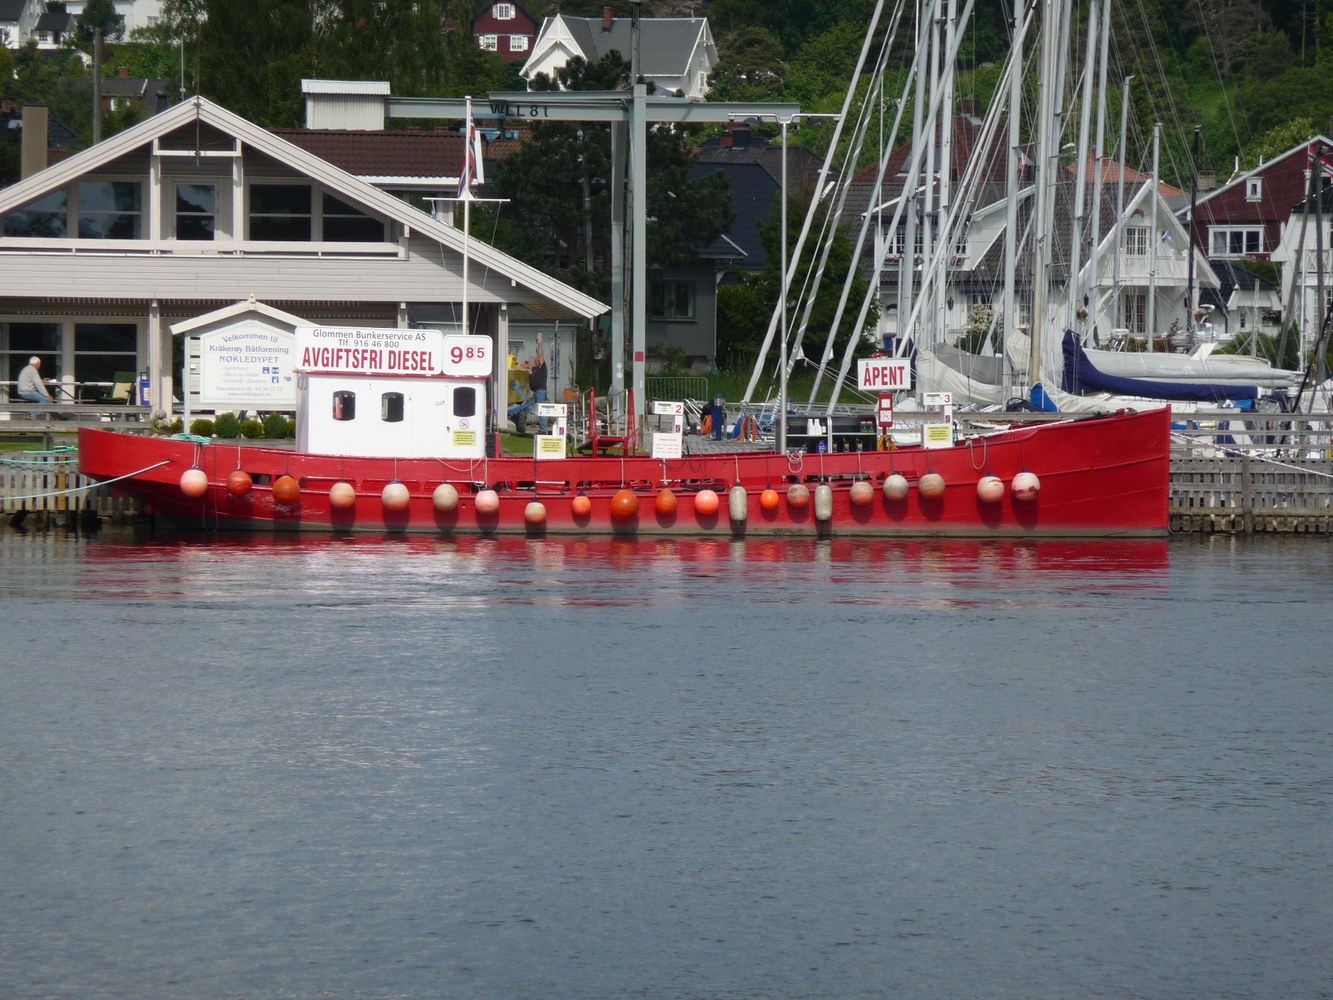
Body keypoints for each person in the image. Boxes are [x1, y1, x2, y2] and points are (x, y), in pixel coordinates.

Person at [527, 338, 548, 433]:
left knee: (541, 410)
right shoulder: (534, 370)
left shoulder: (542, 368)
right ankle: (542, 428)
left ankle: (543, 429)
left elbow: (541, 356)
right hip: (536, 392)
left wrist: (540, 345)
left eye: (536, 360)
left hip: (540, 391)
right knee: (535, 409)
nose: (534, 361)